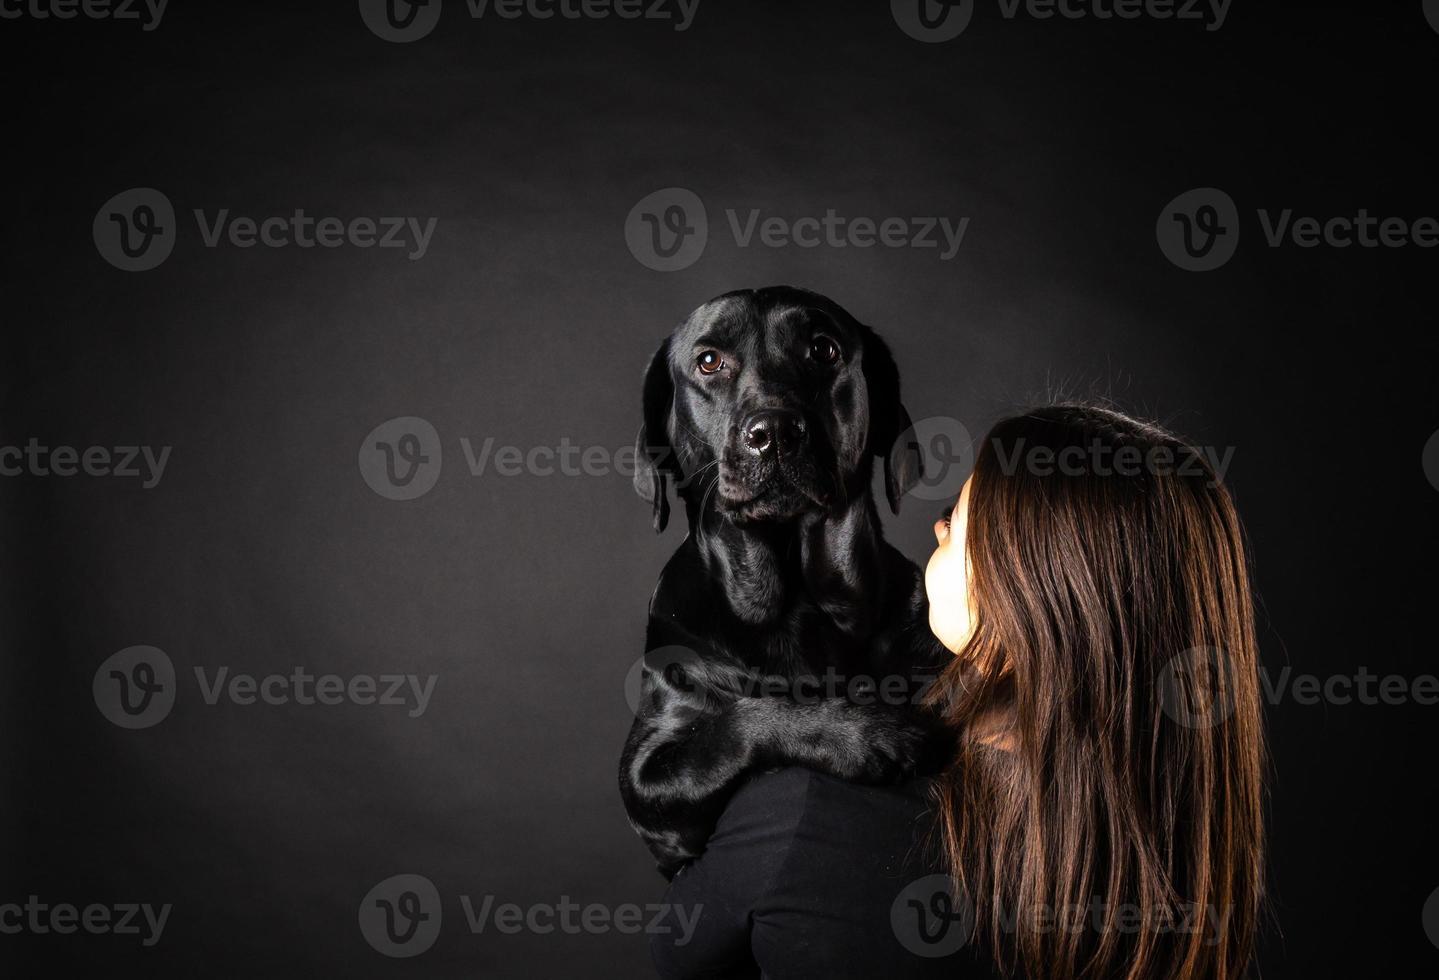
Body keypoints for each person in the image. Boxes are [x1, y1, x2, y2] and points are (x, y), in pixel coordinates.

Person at [651, 404, 1265, 980]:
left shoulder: (805, 815)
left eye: (959, 525)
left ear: (1020, 600)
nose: (939, 524)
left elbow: (678, 952)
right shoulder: (1190, 865)